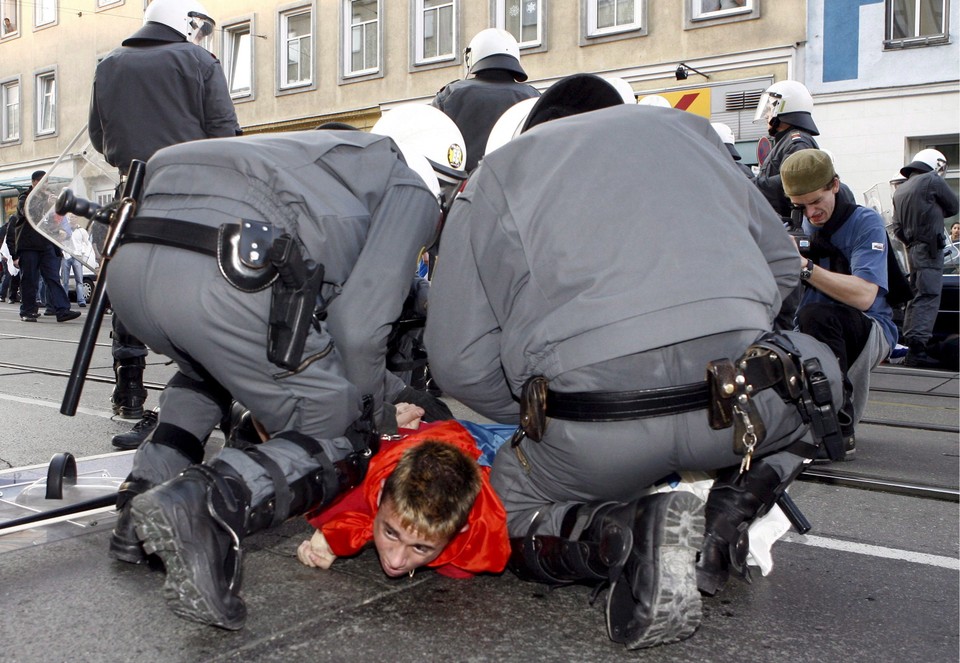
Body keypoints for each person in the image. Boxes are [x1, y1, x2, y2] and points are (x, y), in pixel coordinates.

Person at [424, 87, 844, 650]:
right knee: (814, 383)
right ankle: (725, 520)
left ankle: (622, 533)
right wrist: (721, 339)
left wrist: (534, 413)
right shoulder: (692, 135)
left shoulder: (498, 175)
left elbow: (458, 361)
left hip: (596, 433)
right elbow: (779, 266)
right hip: (734, 409)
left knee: (504, 509)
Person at [111, 109, 466, 631]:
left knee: (211, 369)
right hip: (225, 274)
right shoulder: (408, 186)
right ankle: (206, 507)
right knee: (340, 419)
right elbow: (357, 331)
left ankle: (139, 504)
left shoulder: (316, 159)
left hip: (132, 271)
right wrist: (383, 407)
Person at [87, 0, 241, 432]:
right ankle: (207, 404)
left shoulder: (108, 65)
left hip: (132, 193)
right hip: (193, 195)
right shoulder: (198, 61)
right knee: (203, 300)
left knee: (127, 292)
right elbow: (224, 132)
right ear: (187, 21)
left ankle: (130, 394)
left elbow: (100, 137)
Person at [781, 149, 897, 460]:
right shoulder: (796, 228)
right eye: (801, 206)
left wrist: (804, 266)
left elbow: (864, 296)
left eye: (816, 201)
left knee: (816, 315)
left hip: (870, 327)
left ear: (835, 185)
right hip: (813, 326)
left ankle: (837, 428)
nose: (811, 213)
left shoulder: (864, 222)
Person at [298, 420, 510, 579]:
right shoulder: (349, 487)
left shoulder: (486, 530)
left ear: (459, 531)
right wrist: (330, 536)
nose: (396, 561)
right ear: (379, 495)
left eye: (420, 547)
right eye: (390, 532)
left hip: (495, 448)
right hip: (426, 435)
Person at [432, 28, 539, 172]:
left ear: (473, 55)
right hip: (519, 187)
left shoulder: (451, 94)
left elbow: (434, 147)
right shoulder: (534, 97)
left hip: (467, 189)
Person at [891, 149, 960, 368]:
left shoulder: (900, 190)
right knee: (929, 296)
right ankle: (918, 350)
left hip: (912, 248)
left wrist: (913, 240)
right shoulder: (931, 180)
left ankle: (911, 344)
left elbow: (897, 228)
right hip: (930, 248)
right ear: (936, 164)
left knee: (916, 296)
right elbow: (954, 206)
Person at [6, 171, 81, 324]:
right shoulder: (24, 197)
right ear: (34, 182)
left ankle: (62, 310)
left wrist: (58, 229)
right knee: (30, 279)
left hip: (45, 243)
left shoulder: (46, 198)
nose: (45, 185)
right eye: (42, 182)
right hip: (29, 245)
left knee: (52, 278)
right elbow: (27, 211)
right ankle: (28, 311)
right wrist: (45, 202)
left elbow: (48, 222)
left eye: (46, 182)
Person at [60, 216, 90, 308]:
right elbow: (60, 241)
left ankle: (81, 300)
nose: (72, 219)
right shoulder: (64, 230)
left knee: (79, 280)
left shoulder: (82, 231)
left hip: (77, 256)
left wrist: (85, 257)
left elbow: (87, 244)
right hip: (66, 256)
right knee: (65, 280)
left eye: (74, 217)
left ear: (77, 219)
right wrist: (62, 252)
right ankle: (64, 300)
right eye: (71, 217)